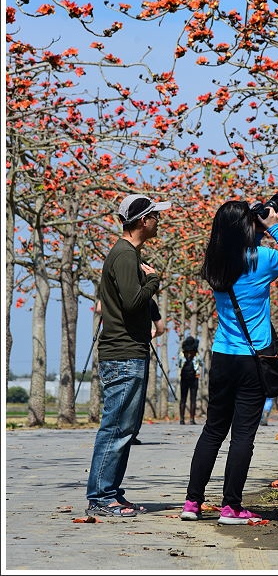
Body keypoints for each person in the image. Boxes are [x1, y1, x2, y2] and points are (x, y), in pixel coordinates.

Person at [180, 198, 278, 525]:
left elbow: (237, 248)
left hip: (222, 357)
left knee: (212, 431)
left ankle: (192, 503)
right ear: (247, 226)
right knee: (242, 436)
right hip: (253, 360)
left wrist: (251, 228)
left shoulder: (214, 263)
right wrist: (273, 226)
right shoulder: (261, 259)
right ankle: (231, 507)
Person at [85, 193, 171, 518]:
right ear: (142, 221)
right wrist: (153, 281)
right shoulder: (123, 256)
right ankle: (100, 496)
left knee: (126, 428)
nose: (158, 221)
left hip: (130, 351)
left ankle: (111, 492)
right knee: (116, 427)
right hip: (122, 354)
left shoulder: (130, 255)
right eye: (155, 216)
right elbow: (134, 302)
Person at [131, 298, 165, 444]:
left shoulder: (115, 296)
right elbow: (161, 328)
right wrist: (151, 334)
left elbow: (100, 308)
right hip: (139, 351)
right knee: (138, 394)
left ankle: (113, 431)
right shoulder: (148, 302)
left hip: (114, 350)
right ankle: (132, 433)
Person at [179, 335, 201, 425]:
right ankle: (192, 419)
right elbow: (202, 363)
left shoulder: (182, 354)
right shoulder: (196, 355)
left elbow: (179, 365)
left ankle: (182, 419)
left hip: (184, 378)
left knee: (183, 399)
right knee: (193, 399)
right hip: (194, 378)